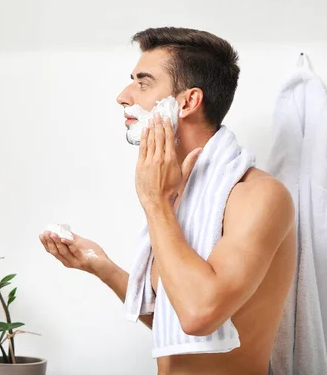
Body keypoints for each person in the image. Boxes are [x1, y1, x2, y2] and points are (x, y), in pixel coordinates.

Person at [38, 27, 296, 375]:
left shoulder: (258, 195)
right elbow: (173, 322)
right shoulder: (183, 195)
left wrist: (155, 201)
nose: (123, 96)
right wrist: (101, 266)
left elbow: (199, 315)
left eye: (143, 83)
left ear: (188, 101)